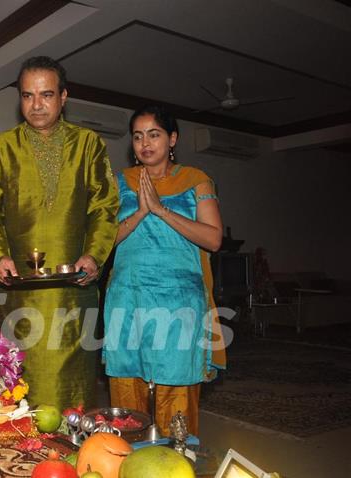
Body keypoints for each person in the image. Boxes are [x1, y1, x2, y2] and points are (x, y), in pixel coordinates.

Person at [0, 56, 119, 409]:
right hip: (18, 293)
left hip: (74, 290)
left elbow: (104, 208)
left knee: (73, 391)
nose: (36, 105)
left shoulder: (89, 145)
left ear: (64, 97)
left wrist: (95, 255)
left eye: (46, 95)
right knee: (17, 388)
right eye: (27, 96)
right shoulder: (1, 147)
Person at [102, 105, 226, 435]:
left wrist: (160, 209)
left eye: (154, 134)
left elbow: (213, 238)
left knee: (178, 390)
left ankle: (177, 463)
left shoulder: (196, 180)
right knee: (127, 389)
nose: (145, 143)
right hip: (127, 296)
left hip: (179, 301)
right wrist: (142, 212)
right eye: (138, 136)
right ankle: (124, 461)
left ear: (172, 138)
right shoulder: (120, 182)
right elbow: (105, 241)